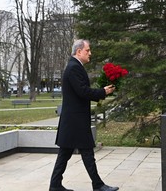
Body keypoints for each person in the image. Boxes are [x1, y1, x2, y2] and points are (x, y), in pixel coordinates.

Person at [49, 39, 119, 191]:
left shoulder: (75, 67)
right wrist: (102, 92)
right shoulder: (74, 67)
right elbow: (82, 91)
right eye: (88, 50)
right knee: (86, 152)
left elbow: (81, 91)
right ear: (79, 51)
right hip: (76, 121)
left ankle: (55, 186)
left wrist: (101, 92)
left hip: (74, 120)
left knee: (66, 154)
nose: (90, 53)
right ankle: (98, 185)